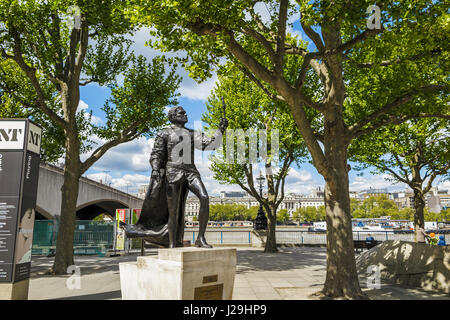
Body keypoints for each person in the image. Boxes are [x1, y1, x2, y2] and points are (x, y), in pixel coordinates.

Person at [121, 106, 228, 248]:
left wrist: (221, 130)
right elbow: (156, 154)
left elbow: (209, 144)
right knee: (173, 211)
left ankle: (200, 238)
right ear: (173, 116)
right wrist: (155, 168)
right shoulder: (165, 133)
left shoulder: (192, 133)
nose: (185, 114)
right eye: (181, 113)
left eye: (185, 112)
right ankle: (172, 243)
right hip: (173, 172)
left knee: (204, 197)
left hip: (190, 171)